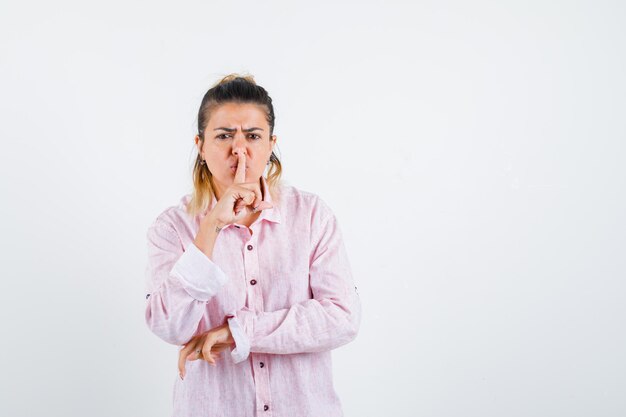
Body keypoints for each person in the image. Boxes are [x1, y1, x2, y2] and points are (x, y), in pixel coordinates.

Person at [144, 74, 361, 417]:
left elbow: (341, 317)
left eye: (253, 136)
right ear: (200, 146)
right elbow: (170, 326)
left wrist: (238, 332)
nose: (239, 149)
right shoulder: (172, 226)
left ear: (271, 143)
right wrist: (212, 225)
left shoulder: (311, 215)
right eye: (224, 135)